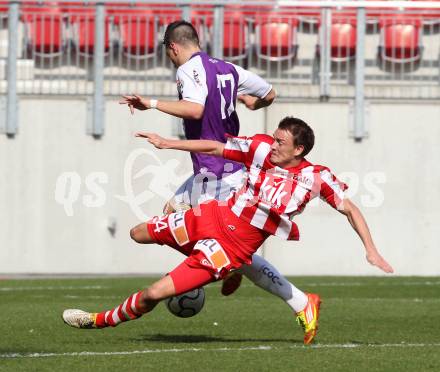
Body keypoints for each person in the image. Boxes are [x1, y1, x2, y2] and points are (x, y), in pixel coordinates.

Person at [63, 117, 394, 345]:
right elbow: (216, 148)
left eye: (281, 141)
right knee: (137, 232)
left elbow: (350, 209)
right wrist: (168, 143)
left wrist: (371, 249)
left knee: (152, 294)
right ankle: (238, 278)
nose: (273, 144)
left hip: (227, 249)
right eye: (274, 137)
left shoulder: (318, 178)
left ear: (299, 151)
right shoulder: (262, 149)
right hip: (208, 217)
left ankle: (98, 319)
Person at [119, 19, 322, 337]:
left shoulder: (186, 70)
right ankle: (224, 263)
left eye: (169, 52)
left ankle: (297, 300)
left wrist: (152, 103)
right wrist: (254, 102)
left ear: (173, 47)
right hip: (215, 172)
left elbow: (195, 110)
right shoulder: (228, 69)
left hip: (217, 177)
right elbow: (270, 92)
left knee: (232, 253)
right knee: (171, 214)